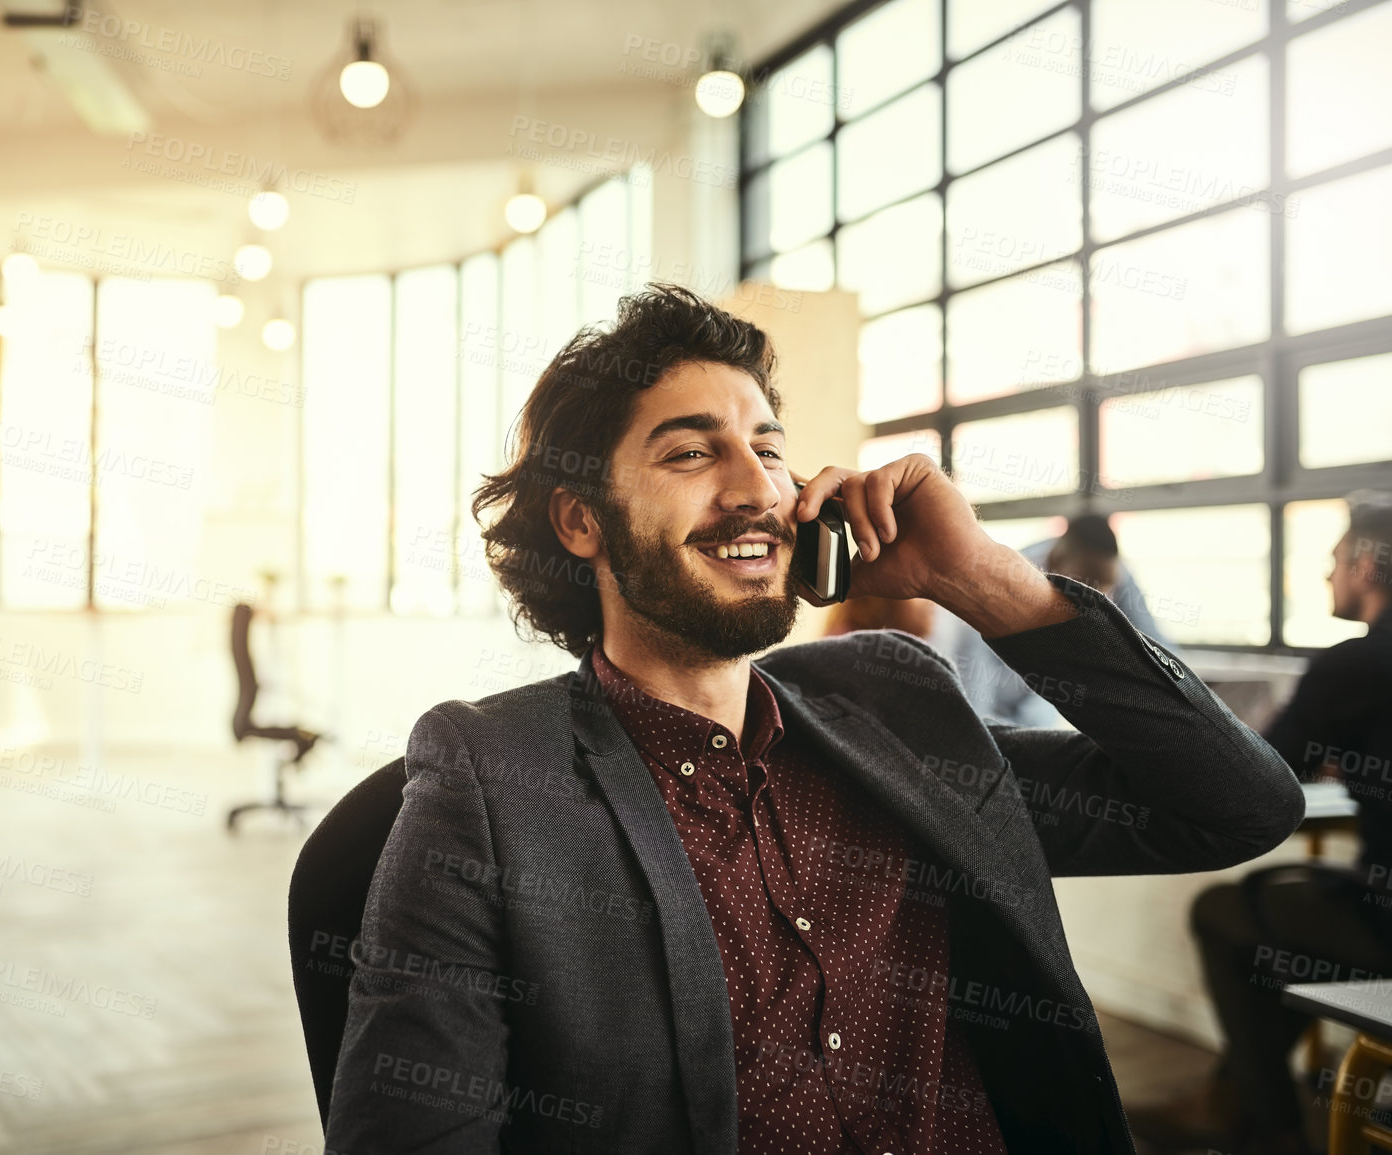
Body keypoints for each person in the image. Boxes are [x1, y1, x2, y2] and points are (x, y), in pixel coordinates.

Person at [323, 284, 1303, 1154]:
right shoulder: (491, 778)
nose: (756, 489)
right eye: (691, 452)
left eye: (769, 450)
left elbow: (1238, 809)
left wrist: (983, 580)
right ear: (582, 521)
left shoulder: (892, 709)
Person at [1141, 491, 1392, 1155]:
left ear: (1367, 565)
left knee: (1224, 911)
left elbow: (1259, 777)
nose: (1325, 572)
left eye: (1335, 557)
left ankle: (1269, 1125)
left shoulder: (1351, 663)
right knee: (1275, 922)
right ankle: (1237, 1100)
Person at [931, 514, 1178, 729]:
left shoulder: (1116, 572)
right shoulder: (1010, 576)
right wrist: (982, 728)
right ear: (1056, 561)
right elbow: (975, 660)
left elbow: (1157, 645)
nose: (1098, 604)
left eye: (1107, 590)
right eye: (1088, 589)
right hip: (1000, 701)